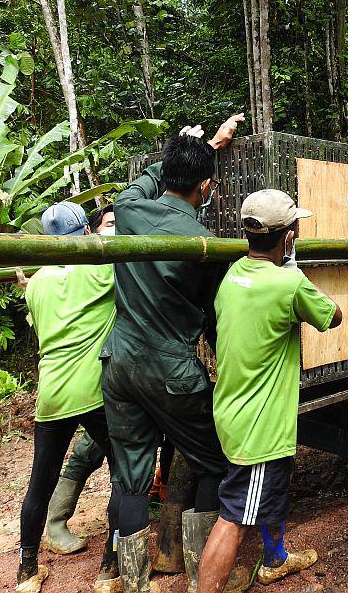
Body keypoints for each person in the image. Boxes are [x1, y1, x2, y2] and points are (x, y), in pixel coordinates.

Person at [100, 116, 248, 593]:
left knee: (130, 477)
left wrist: (196, 145)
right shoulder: (205, 244)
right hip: (172, 370)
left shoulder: (128, 209)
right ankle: (198, 575)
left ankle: (136, 584)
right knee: (216, 460)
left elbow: (142, 184)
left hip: (119, 363)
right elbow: (213, 316)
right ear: (206, 187)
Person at [197, 189, 343, 592]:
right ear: (289, 236)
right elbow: (333, 317)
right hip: (258, 428)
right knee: (235, 518)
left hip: (234, 412)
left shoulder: (233, 275)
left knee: (271, 491)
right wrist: (294, 272)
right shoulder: (288, 283)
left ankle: (275, 559)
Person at [17, 202, 121, 593]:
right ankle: (109, 568)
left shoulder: (38, 282)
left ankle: (27, 570)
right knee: (122, 476)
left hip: (52, 394)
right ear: (85, 233)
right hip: (94, 391)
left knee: (38, 482)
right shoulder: (100, 269)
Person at [42, 205, 115, 556]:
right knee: (87, 452)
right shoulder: (94, 273)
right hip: (89, 385)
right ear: (92, 231)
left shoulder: (51, 277)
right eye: (109, 225)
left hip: (108, 379)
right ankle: (56, 523)